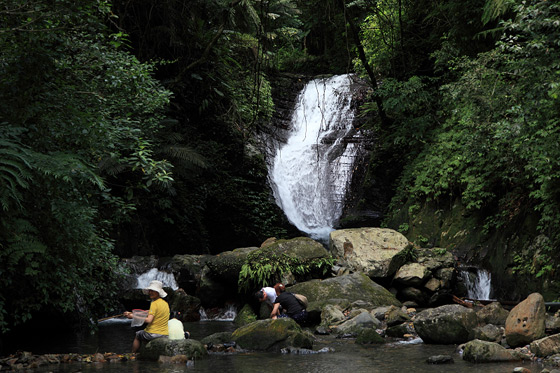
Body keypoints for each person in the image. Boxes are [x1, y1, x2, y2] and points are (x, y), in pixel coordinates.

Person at [124, 280, 170, 352]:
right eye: (150, 290)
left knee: (138, 335)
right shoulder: (165, 304)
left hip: (153, 334)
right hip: (165, 334)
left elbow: (149, 320)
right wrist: (132, 313)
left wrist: (133, 316)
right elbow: (149, 312)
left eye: (153, 291)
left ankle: (133, 354)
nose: (150, 292)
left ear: (158, 292)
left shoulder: (154, 304)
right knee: (144, 337)